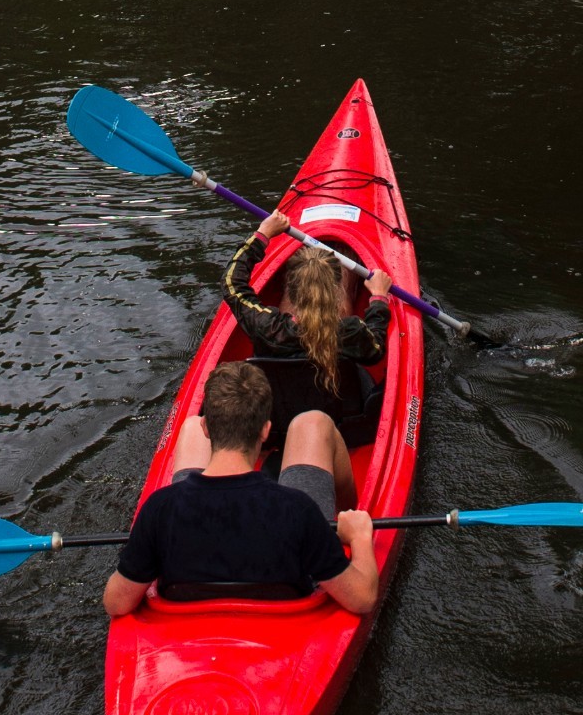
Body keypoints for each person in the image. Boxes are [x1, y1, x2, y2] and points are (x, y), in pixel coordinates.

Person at [103, 362, 379, 618]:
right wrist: (359, 537)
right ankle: (346, 517)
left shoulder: (159, 509)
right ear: (265, 431)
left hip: (187, 616)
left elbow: (116, 603)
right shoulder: (298, 510)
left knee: (186, 427)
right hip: (282, 616)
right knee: (312, 423)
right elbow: (362, 598)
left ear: (207, 427)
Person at [222, 211, 391, 417]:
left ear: (289, 288)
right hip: (339, 419)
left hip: (280, 416)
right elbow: (376, 349)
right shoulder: (351, 331)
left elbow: (232, 285)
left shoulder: (268, 327)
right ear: (336, 291)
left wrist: (263, 233)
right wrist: (379, 299)